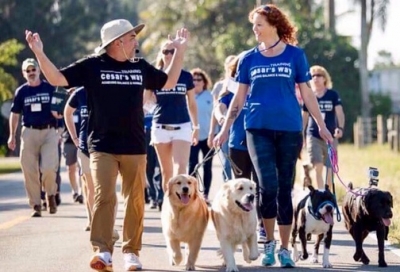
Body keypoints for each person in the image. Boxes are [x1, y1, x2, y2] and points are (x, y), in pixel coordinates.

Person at [25, 19, 189, 271]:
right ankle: (102, 251)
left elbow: (167, 82)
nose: (136, 40)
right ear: (117, 42)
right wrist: (39, 52)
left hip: (134, 145)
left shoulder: (140, 67)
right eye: (132, 37)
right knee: (104, 197)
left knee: (135, 200)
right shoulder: (92, 66)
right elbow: (58, 78)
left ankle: (131, 252)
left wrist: (179, 51)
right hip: (102, 145)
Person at [213, 4, 333, 268]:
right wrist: (223, 129)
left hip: (290, 129)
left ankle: (286, 249)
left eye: (258, 24)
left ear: (274, 25)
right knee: (266, 186)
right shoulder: (248, 59)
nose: (254, 29)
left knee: (283, 188)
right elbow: (239, 98)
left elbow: (307, 93)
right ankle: (268, 244)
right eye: (253, 25)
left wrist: (321, 125)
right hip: (257, 129)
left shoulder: (295, 56)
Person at [213, 54, 266, 242]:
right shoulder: (230, 92)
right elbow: (219, 107)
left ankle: (261, 226)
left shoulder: (259, 89)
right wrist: (222, 121)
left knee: (260, 187)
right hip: (237, 144)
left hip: (260, 142)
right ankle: (238, 224)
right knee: (241, 189)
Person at [145, 41, 199, 193]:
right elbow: (143, 101)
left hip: (182, 125)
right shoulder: (155, 76)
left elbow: (192, 104)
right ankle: (169, 208)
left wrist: (196, 127)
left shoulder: (186, 76)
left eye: (172, 51)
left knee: (181, 170)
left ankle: (182, 209)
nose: (168, 55)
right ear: (161, 54)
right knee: (166, 173)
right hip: (160, 126)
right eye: (165, 51)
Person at [7, 58, 59, 217]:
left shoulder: (50, 88)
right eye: (28, 71)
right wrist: (11, 136)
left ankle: (50, 195)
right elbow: (14, 114)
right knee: (29, 170)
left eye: (33, 69)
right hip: (28, 132)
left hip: (49, 132)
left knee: (49, 168)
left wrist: (59, 114)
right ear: (24, 74)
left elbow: (59, 109)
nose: (31, 73)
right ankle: (36, 204)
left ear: (39, 70)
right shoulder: (21, 92)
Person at [302, 65, 345, 189]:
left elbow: (340, 113)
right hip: (313, 135)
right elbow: (304, 117)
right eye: (313, 76)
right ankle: (320, 193)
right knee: (318, 166)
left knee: (330, 168)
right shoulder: (309, 96)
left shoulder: (333, 95)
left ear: (325, 78)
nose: (316, 78)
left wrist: (340, 128)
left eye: (319, 75)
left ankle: (328, 193)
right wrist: (301, 134)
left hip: (330, 136)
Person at [188, 68, 214, 204]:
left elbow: (215, 116)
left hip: (208, 136)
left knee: (207, 166)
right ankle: (192, 194)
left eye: (199, 79)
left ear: (204, 82)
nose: (196, 82)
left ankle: (205, 195)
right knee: (192, 165)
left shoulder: (210, 96)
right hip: (192, 137)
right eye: (193, 79)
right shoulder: (187, 96)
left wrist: (214, 133)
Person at [208, 55, 236, 181]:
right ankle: (227, 186)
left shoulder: (245, 84)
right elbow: (217, 109)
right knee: (226, 160)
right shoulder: (220, 86)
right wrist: (212, 132)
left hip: (242, 127)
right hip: (224, 127)